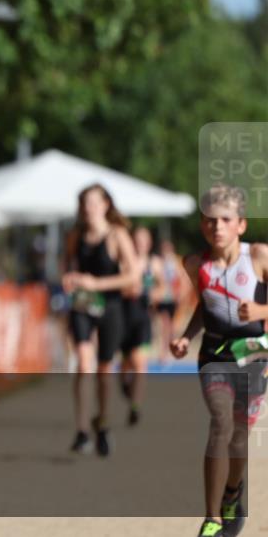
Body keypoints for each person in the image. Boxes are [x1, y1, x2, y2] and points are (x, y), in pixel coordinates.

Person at [169, 185, 268, 537]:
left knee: (239, 435)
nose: (217, 227)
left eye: (225, 220)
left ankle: (232, 494)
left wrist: (259, 309)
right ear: (201, 225)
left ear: (240, 224)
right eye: (210, 220)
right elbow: (206, 305)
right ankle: (212, 518)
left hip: (254, 353)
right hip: (214, 354)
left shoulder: (258, 256)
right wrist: (186, 335)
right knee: (220, 424)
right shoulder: (195, 263)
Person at [61, 184, 140, 456]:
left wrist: (97, 283)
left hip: (111, 306)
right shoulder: (75, 235)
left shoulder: (117, 235)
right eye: (84, 203)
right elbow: (68, 266)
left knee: (104, 372)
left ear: (106, 204)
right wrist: (70, 279)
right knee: (84, 363)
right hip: (82, 305)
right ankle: (82, 430)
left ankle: (102, 422)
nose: (88, 208)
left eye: (93, 203)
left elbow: (132, 276)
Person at [119, 225, 157, 426]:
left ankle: (136, 406)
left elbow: (165, 288)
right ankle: (125, 383)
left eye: (144, 240)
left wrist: (152, 295)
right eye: (137, 239)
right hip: (123, 316)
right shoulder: (124, 262)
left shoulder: (154, 263)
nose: (141, 243)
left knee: (140, 364)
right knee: (126, 363)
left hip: (142, 318)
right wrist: (128, 290)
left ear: (149, 243)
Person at [154, 238, 188, 364]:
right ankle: (163, 351)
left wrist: (182, 294)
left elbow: (183, 278)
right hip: (162, 298)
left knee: (172, 326)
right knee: (164, 324)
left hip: (173, 298)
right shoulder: (159, 261)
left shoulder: (175, 262)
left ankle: (170, 348)